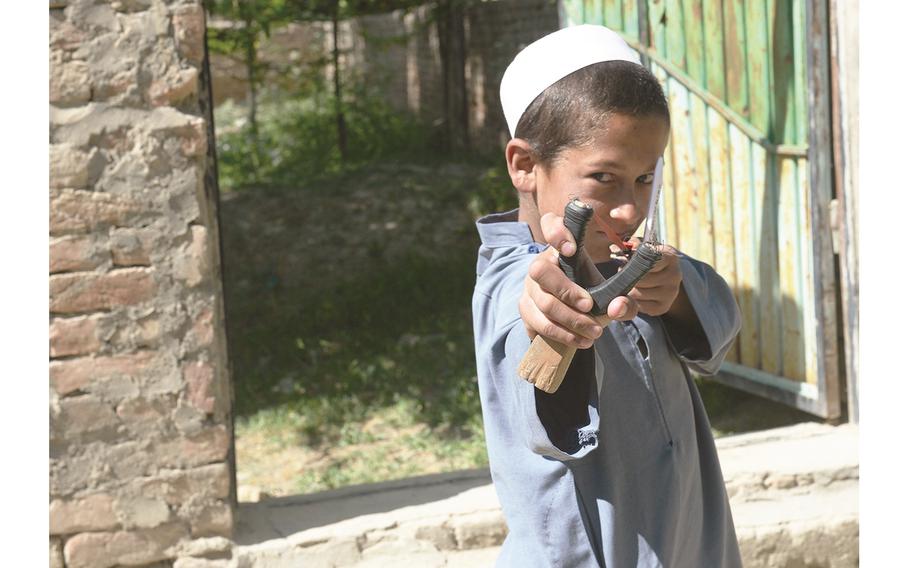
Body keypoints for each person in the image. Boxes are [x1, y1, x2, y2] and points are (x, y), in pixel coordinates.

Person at [472, 25, 743, 567]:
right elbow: (534, 320)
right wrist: (554, 323)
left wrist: (677, 291)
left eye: (646, 178)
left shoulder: (632, 261)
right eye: (603, 177)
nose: (629, 209)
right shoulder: (512, 282)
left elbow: (718, 321)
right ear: (525, 165)